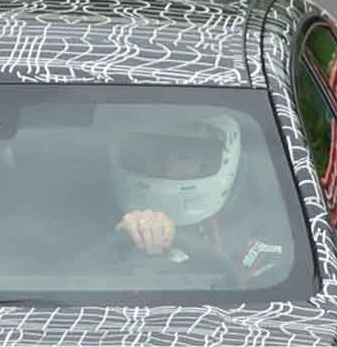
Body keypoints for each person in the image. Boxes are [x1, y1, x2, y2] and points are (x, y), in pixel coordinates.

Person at [105, 106, 292, 283]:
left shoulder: (254, 232)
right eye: (156, 150)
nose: (170, 164)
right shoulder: (96, 220)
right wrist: (126, 237)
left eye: (186, 152)